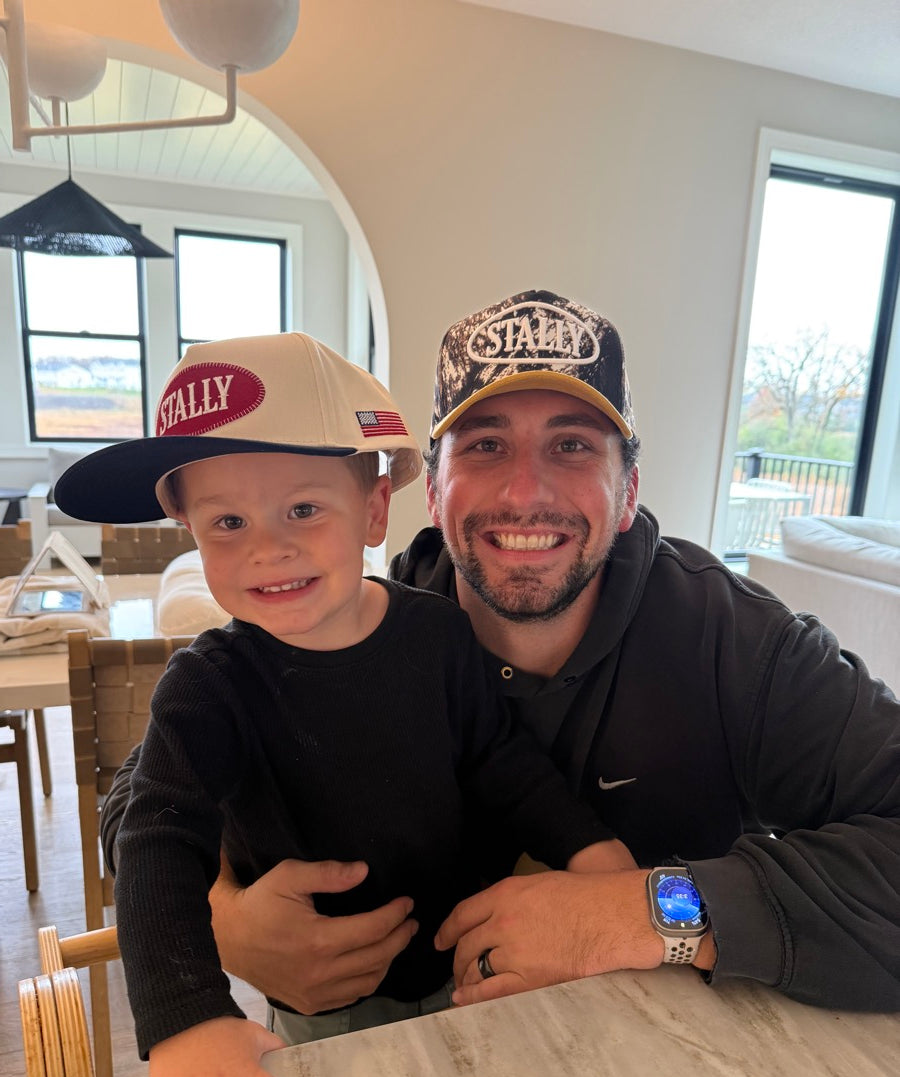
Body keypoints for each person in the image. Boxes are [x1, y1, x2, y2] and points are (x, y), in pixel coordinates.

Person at [102, 291, 900, 1024]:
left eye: (572, 445)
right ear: (431, 492)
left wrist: (645, 911)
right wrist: (222, 922)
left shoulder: (738, 644)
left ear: (627, 493)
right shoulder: (354, 620)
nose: (524, 492)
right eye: (485, 445)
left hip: (656, 1055)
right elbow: (144, 799)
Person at [55, 330, 630, 1077]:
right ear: (189, 531)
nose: (265, 548)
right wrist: (187, 1021)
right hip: (318, 998)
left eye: (302, 510)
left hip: (465, 960)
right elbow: (155, 843)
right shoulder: (206, 687)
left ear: (372, 509)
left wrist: (594, 856)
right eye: (226, 522)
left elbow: (501, 762)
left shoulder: (438, 636)